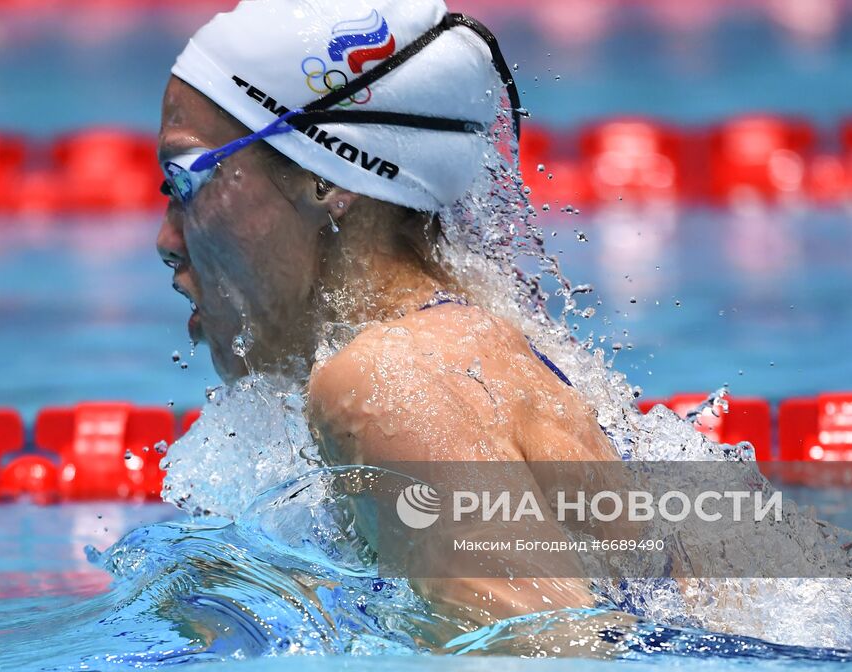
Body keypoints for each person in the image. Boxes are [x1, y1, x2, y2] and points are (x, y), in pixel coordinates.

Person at [155, 0, 619, 627]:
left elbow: (550, 658)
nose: (166, 239)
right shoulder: (473, 345)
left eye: (185, 181)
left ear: (328, 178)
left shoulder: (386, 378)